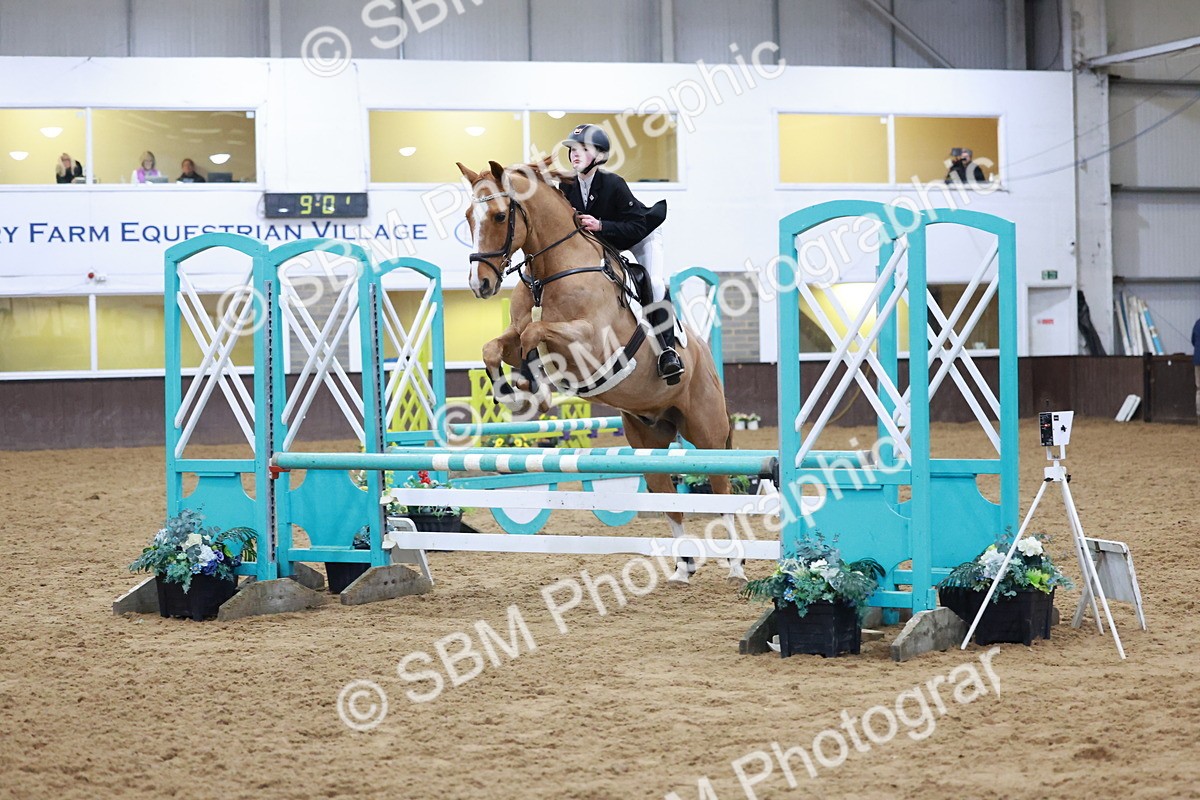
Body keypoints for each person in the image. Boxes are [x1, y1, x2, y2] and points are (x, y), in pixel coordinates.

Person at [558, 123, 683, 384]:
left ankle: (668, 352)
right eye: (572, 149)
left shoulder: (613, 183)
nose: (575, 154)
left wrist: (601, 225)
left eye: (583, 149)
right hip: (607, 243)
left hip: (640, 236)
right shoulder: (567, 186)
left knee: (656, 284)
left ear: (600, 156)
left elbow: (636, 225)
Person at [1192, 315, 1200, 424]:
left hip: (1198, 359)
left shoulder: (1198, 323)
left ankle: (1199, 415)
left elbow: (1193, 340)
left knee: (1199, 389)